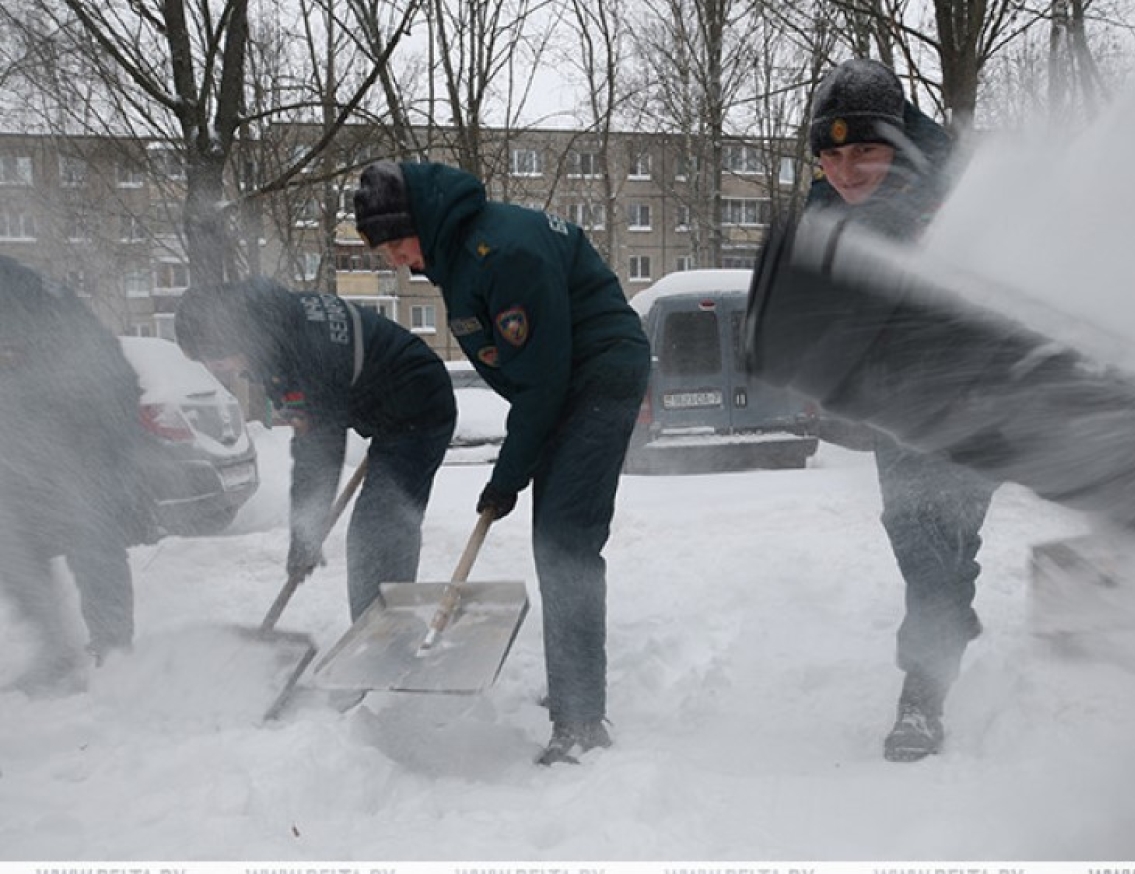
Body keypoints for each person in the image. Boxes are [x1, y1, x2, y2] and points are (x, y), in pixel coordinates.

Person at [352, 159, 651, 765]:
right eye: (384, 252)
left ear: (420, 221)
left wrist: (507, 477)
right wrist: (517, 465)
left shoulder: (501, 253)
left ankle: (580, 721)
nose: (396, 260)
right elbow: (532, 376)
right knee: (555, 537)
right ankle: (572, 688)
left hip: (597, 378)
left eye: (395, 244)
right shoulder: (460, 253)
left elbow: (542, 381)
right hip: (567, 383)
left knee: (565, 541)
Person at [804, 59, 999, 760]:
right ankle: (932, 666)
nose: (845, 171)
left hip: (980, 394)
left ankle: (934, 657)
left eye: (864, 151)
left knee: (948, 537)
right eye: (830, 156)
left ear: (898, 141)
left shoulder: (963, 191)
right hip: (896, 400)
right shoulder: (825, 211)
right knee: (920, 535)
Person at [174, 277, 457, 625]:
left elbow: (319, 449)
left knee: (379, 528)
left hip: (419, 406)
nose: (221, 372)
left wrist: (305, 535)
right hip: (385, 408)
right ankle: (376, 629)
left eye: (217, 362)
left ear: (230, 337)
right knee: (376, 527)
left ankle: (383, 637)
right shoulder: (274, 325)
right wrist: (305, 534)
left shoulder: (299, 351)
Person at [0, 255, 158, 693]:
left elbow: (65, 372)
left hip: (88, 427)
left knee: (90, 538)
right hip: (42, 430)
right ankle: (56, 651)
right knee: (12, 541)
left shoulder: (18, 291)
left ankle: (115, 654)